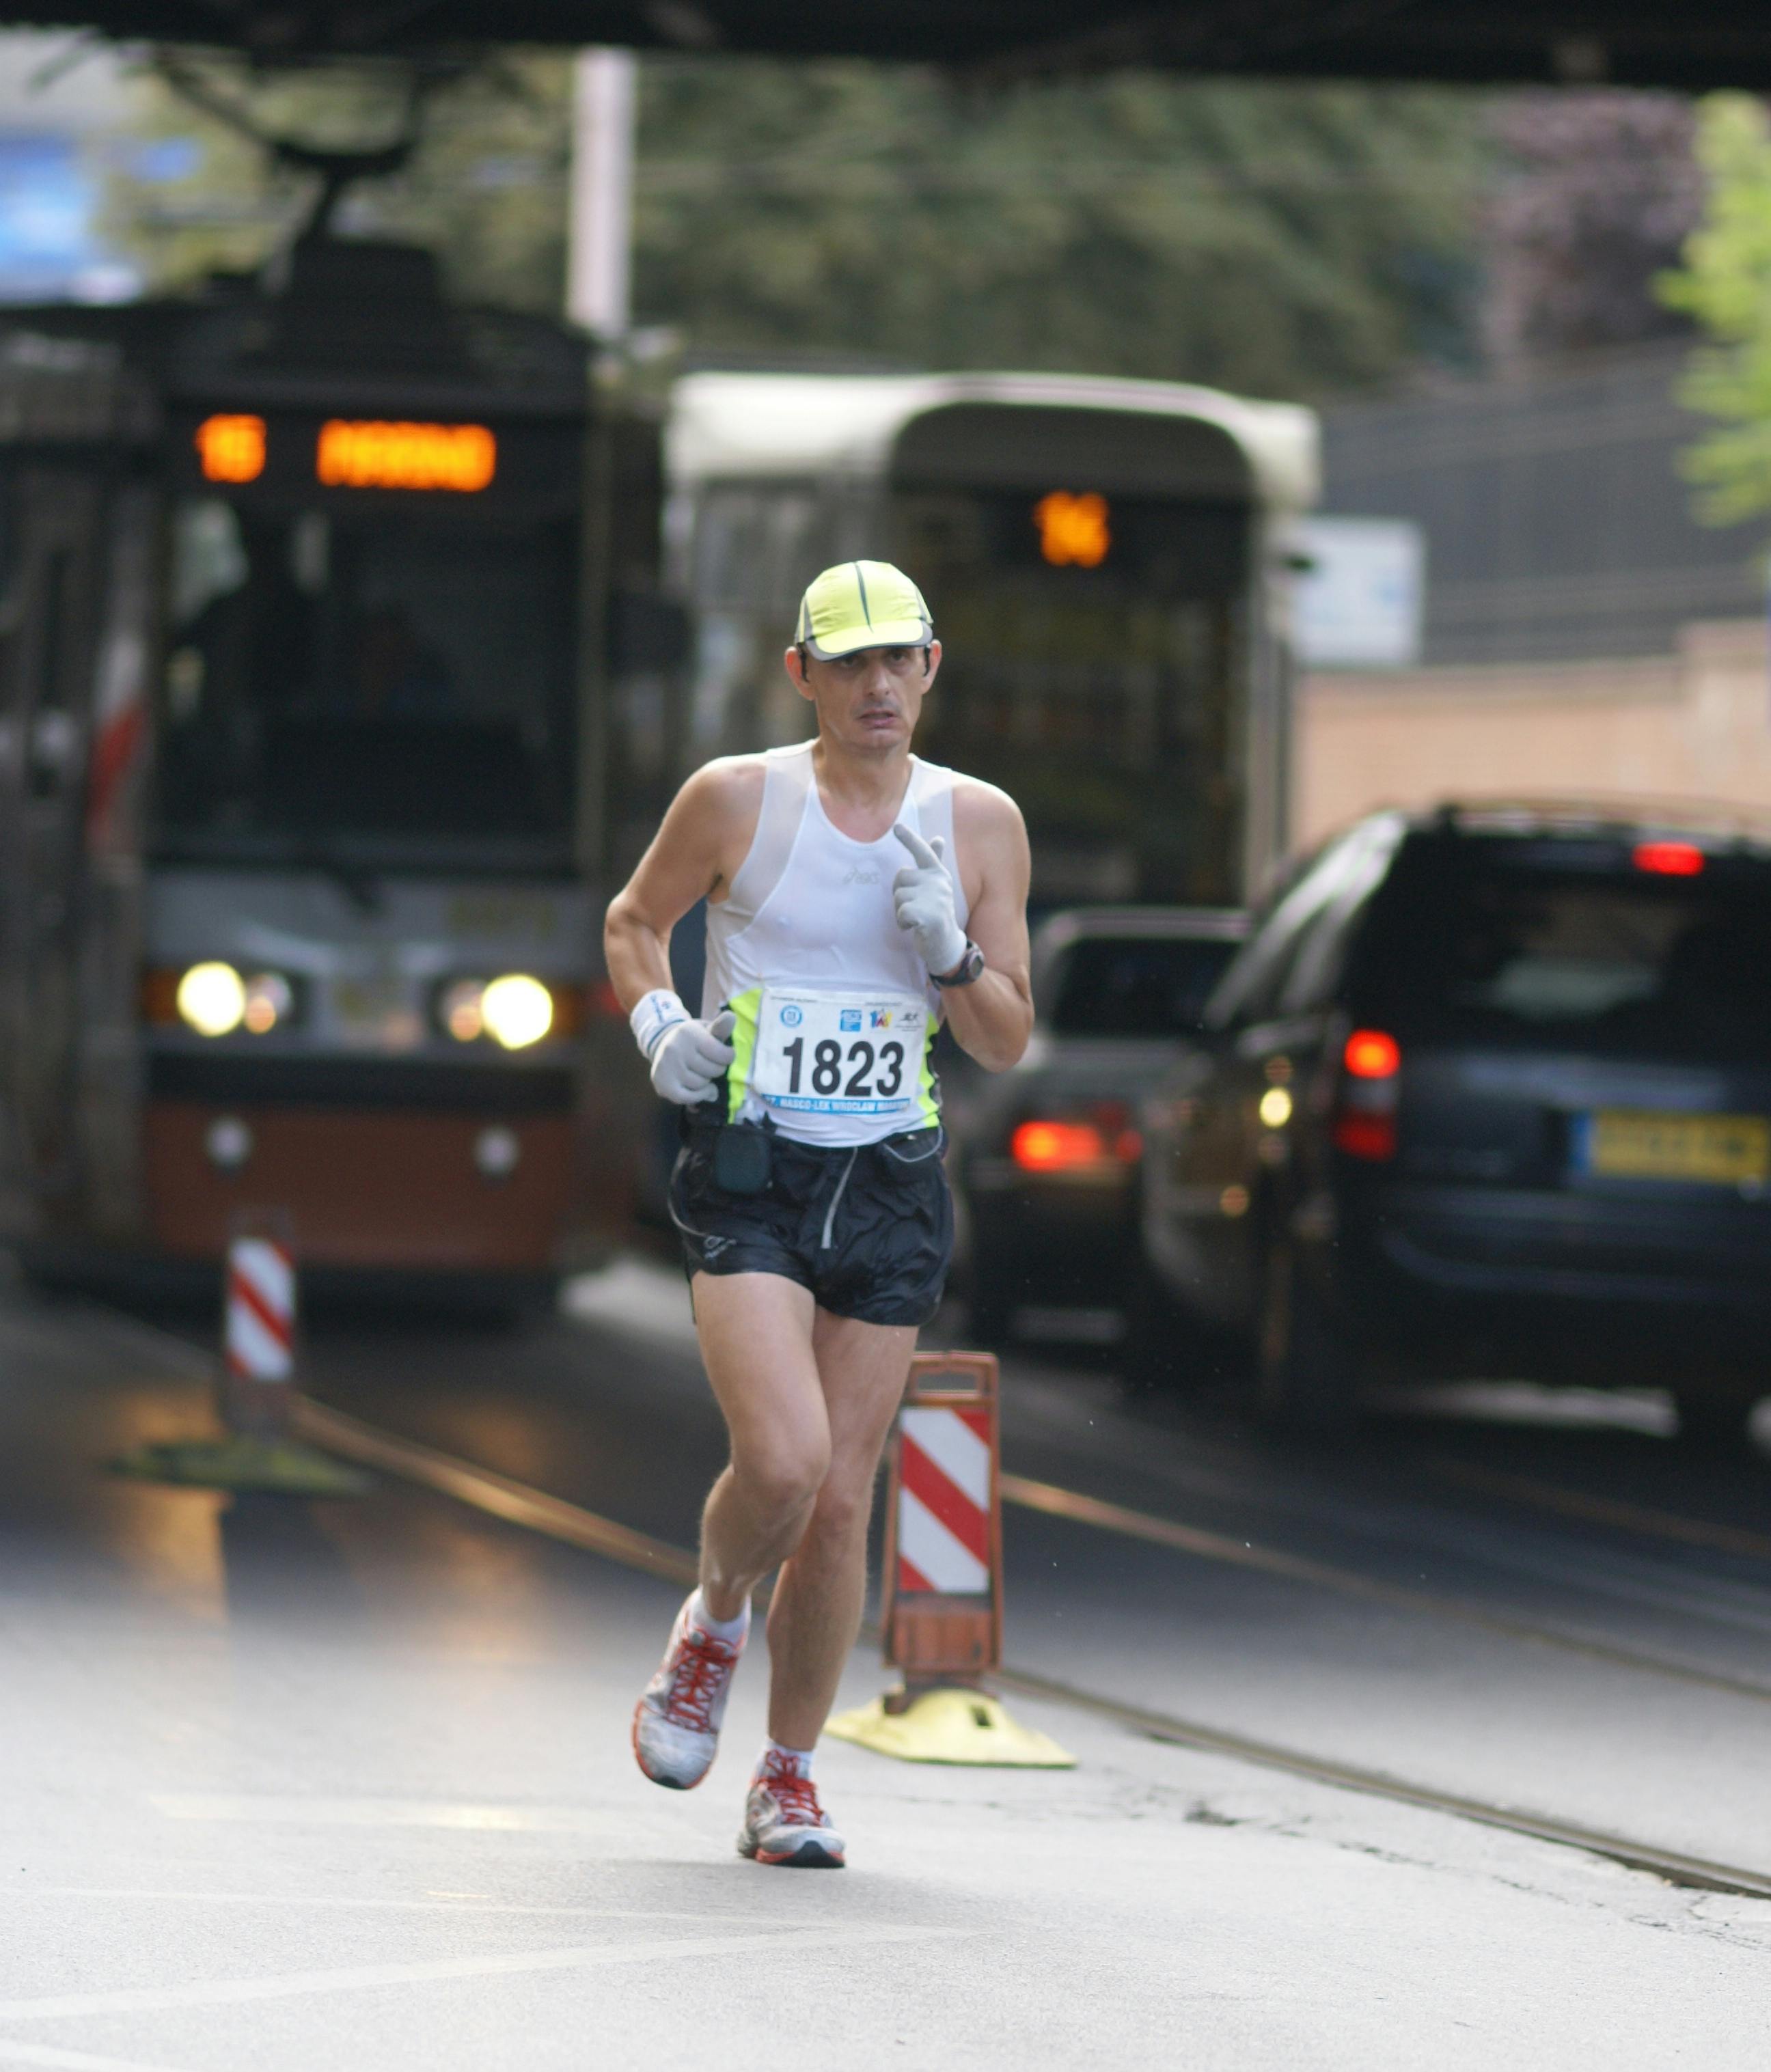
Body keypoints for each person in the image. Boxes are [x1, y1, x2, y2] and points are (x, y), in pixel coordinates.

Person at [603, 560, 1032, 1868]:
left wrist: (951, 950)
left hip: (891, 1178)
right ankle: (714, 1619)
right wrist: (659, 1023)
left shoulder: (980, 824)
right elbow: (634, 921)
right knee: (782, 1461)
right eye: (849, 663)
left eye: (899, 659)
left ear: (932, 668)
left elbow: (1007, 1037)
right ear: (803, 675)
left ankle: (787, 1775)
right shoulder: (739, 797)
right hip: (754, 1166)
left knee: (842, 1503)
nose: (878, 685)